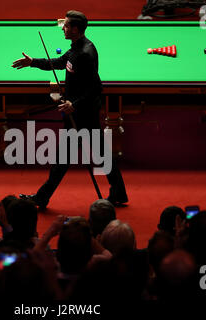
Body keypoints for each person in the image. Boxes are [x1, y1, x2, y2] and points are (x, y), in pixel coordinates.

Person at [12, 10, 128, 209]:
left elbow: (96, 88)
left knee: (76, 157)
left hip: (84, 114)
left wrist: (75, 103)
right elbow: (58, 63)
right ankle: (118, 193)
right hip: (75, 112)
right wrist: (33, 63)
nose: (62, 28)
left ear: (75, 29)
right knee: (75, 157)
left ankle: (42, 198)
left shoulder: (85, 53)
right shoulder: (74, 49)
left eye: (65, 25)